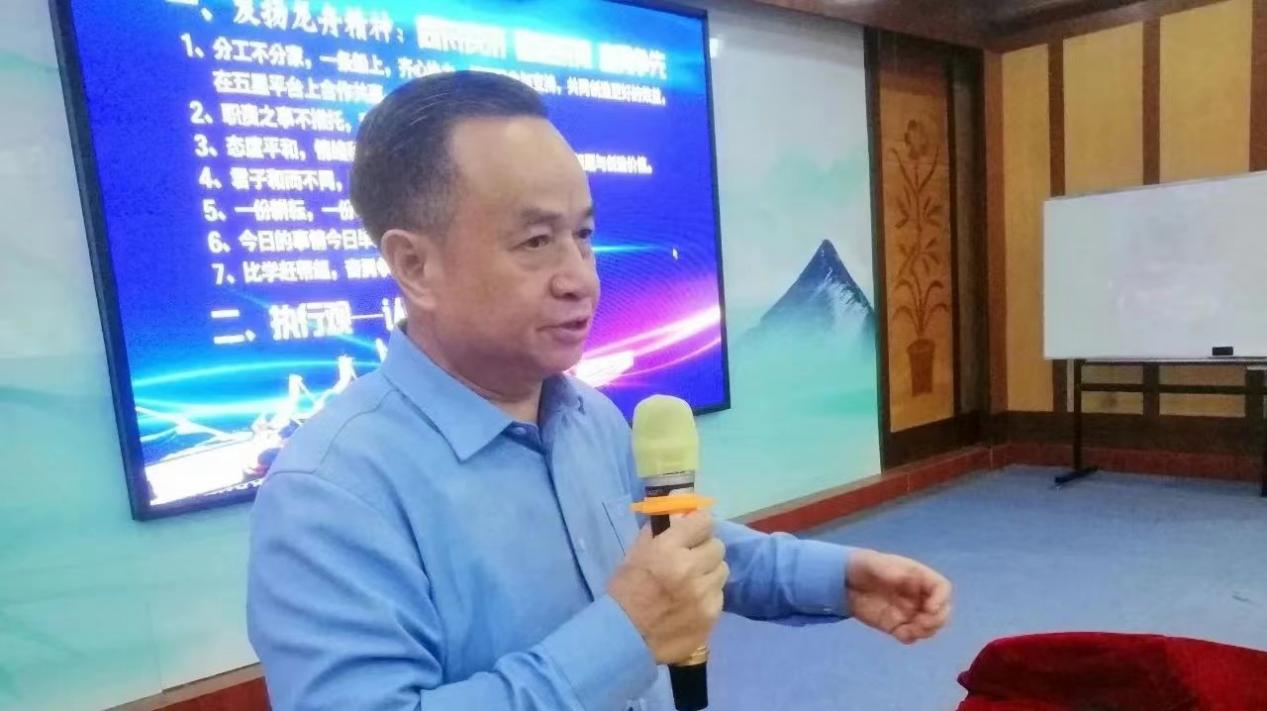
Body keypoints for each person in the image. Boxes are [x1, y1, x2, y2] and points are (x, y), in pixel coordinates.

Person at [247, 71, 952, 711]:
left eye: (582, 235)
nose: (581, 277)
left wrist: (834, 578)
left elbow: (667, 547)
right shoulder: (329, 494)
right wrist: (624, 635)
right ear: (414, 266)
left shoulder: (588, 414)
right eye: (535, 241)